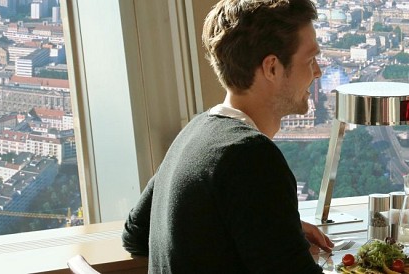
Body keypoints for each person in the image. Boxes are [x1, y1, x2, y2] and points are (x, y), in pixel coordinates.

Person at [121, 0, 333, 272]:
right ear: (272, 68)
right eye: (310, 60)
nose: (317, 71)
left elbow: (135, 235)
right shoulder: (251, 156)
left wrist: (273, 230)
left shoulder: (196, 131)